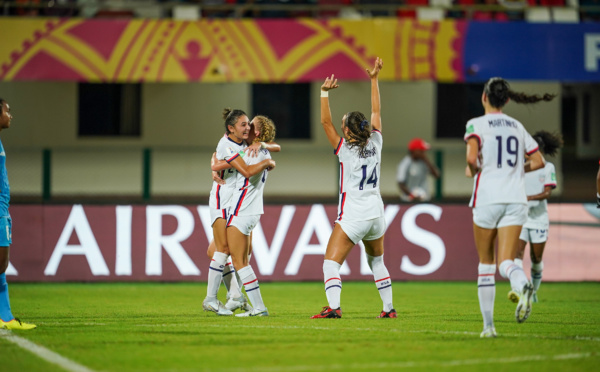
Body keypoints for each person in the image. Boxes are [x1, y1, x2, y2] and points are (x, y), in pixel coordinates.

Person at [464, 77, 554, 338]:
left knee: (485, 263)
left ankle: (489, 327)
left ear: (484, 97)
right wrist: (516, 170)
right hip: (516, 199)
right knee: (506, 261)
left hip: (488, 197)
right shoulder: (517, 126)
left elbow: (471, 159)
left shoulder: (476, 124)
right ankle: (523, 282)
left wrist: (475, 169)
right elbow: (538, 161)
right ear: (507, 100)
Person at [311, 57, 396, 319]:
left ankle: (334, 307)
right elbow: (377, 113)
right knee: (377, 261)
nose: (340, 125)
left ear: (347, 130)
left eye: (343, 123)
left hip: (354, 215)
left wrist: (324, 93)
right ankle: (388, 309)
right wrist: (374, 79)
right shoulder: (377, 142)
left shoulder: (345, 150)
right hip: (376, 213)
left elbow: (326, 124)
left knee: (330, 263)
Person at [202, 109, 276, 316]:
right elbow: (231, 164)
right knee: (223, 251)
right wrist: (215, 166)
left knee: (234, 253)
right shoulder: (230, 144)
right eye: (244, 124)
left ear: (257, 134)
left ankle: (234, 296)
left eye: (250, 125)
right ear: (231, 128)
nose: (247, 128)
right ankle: (231, 296)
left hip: (239, 206)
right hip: (223, 200)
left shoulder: (248, 146)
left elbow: (271, 147)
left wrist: (261, 145)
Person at [513, 131, 563, 304]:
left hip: (539, 219)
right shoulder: (522, 167)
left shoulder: (548, 168)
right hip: (521, 218)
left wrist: (529, 198)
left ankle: (533, 291)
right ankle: (520, 289)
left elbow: (548, 193)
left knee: (536, 259)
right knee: (517, 254)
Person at [0, 98, 36, 330]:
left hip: (3, 210)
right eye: (7, 111)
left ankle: (5, 317)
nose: (10, 116)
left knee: (1, 267)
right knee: (1, 265)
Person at [396, 138, 440, 202]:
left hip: (424, 199)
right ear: (414, 151)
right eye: (422, 151)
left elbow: (436, 175)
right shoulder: (405, 163)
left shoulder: (424, 162)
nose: (424, 153)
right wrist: (412, 196)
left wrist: (426, 160)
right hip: (408, 201)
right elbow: (401, 183)